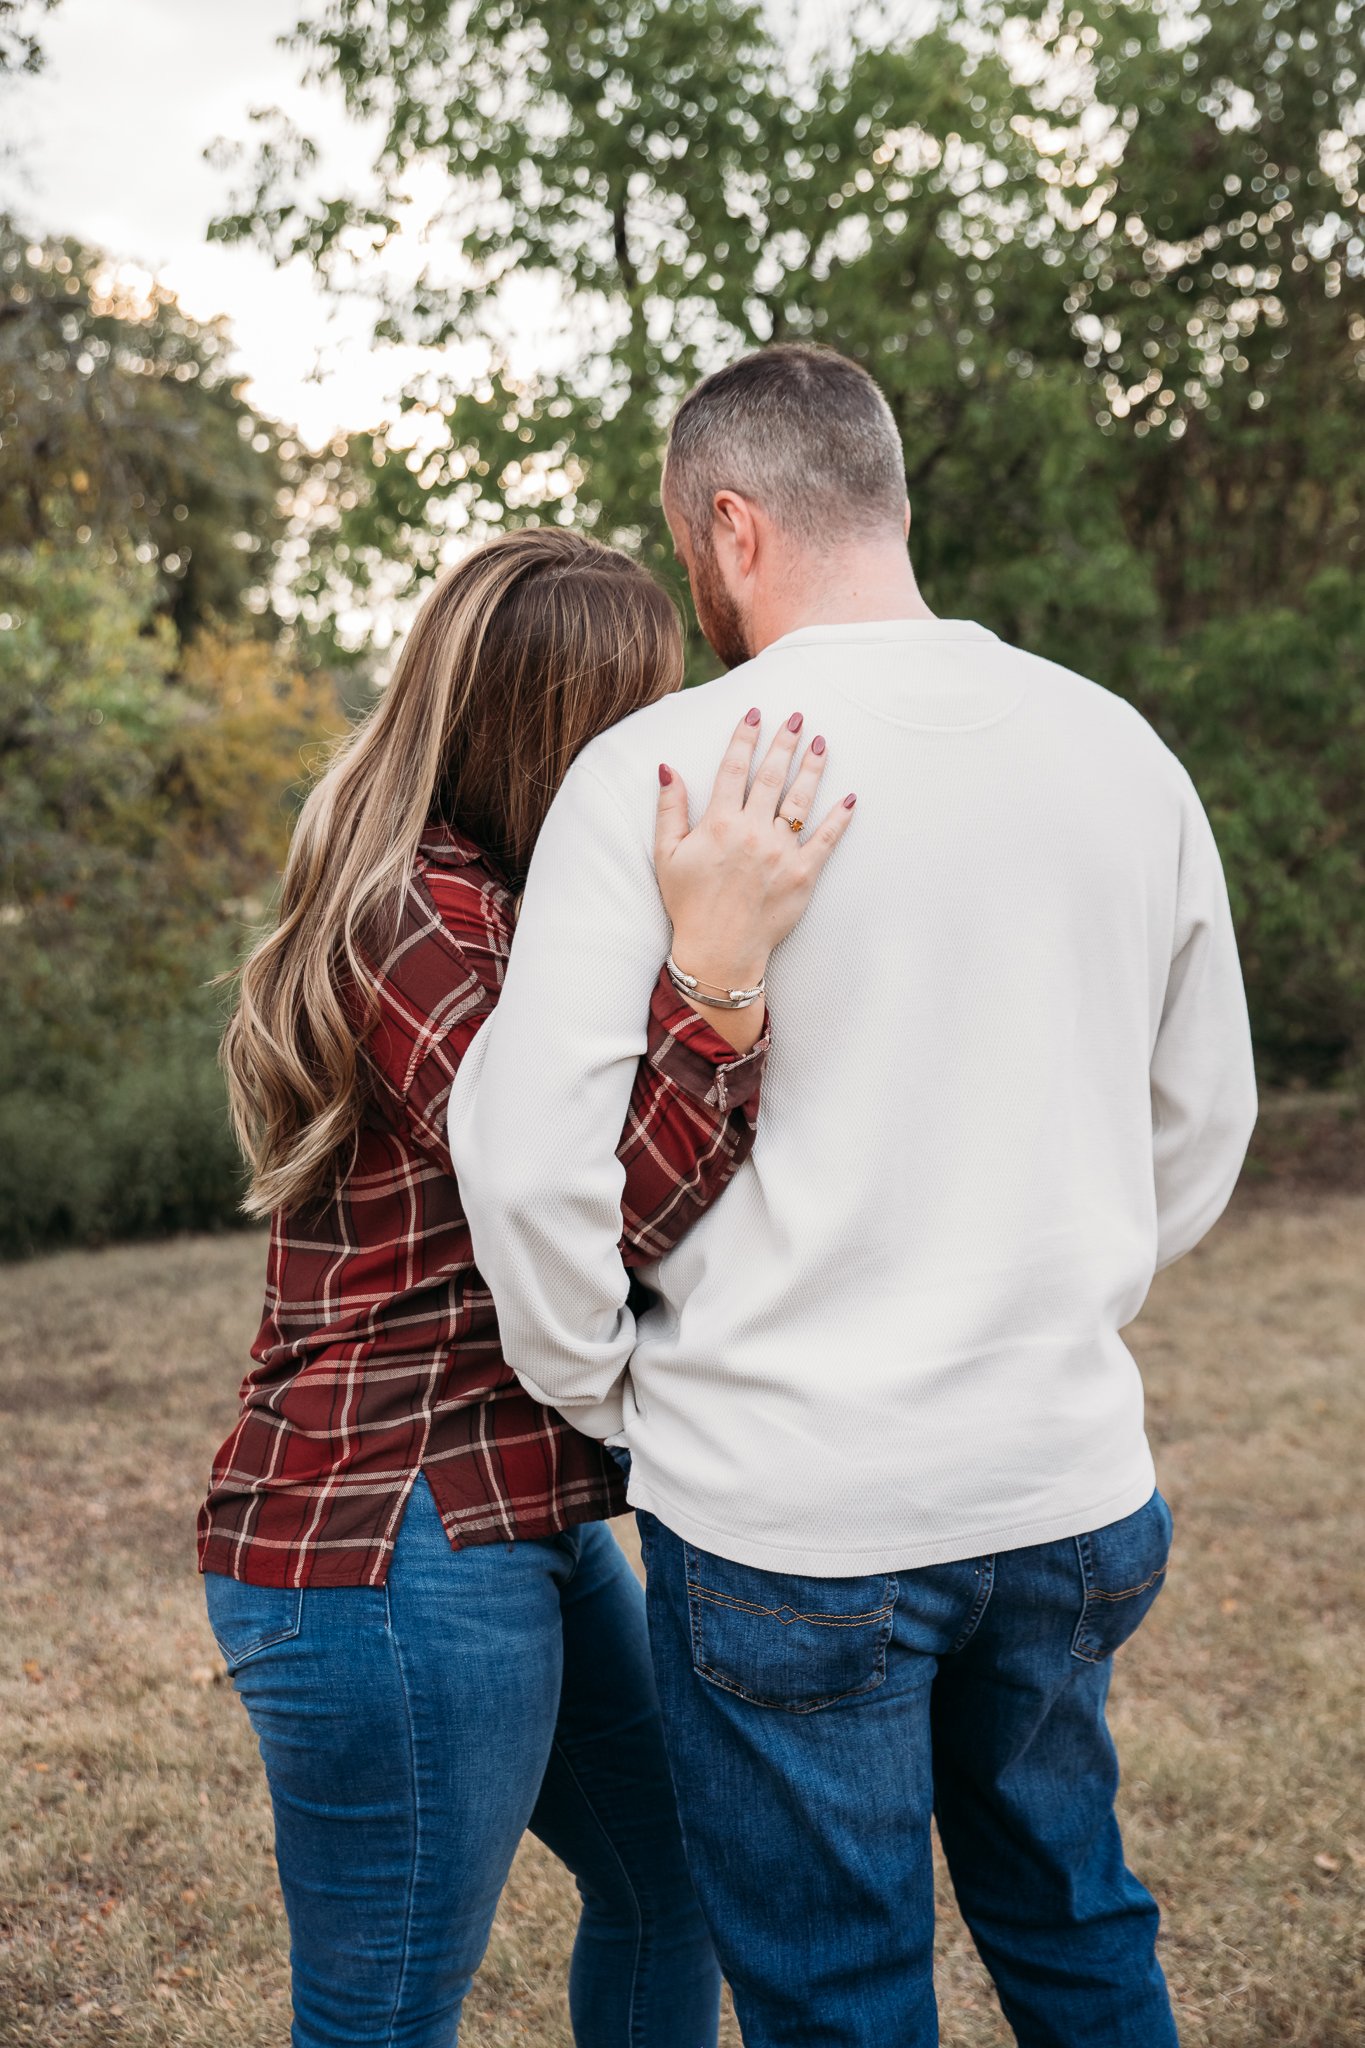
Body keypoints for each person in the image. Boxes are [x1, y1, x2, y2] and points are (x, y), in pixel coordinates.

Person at [449, 345, 1258, 2047]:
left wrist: (609, 1383)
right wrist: (1061, 1287)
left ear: (729, 525)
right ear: (883, 499)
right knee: (1077, 1924)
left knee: (835, 1995)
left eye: (688, 546)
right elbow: (1200, 1118)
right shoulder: (1120, 751)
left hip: (788, 1511)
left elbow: (525, 1165)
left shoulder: (661, 772)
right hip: (1062, 1479)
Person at [197, 525, 854, 2048]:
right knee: (385, 2014)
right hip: (389, 1526)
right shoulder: (421, 916)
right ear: (561, 727)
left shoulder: (503, 893)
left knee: (671, 1876)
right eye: (645, 715)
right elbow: (594, 1203)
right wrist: (717, 985)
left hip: (515, 1509)